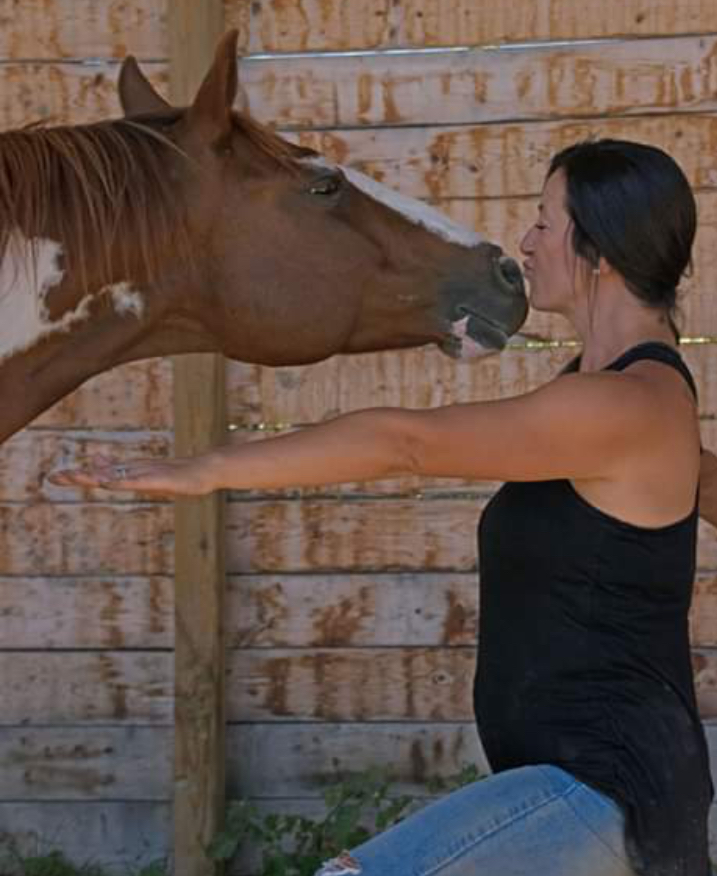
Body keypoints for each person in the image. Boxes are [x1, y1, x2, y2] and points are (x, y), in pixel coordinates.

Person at [50, 139, 714, 876]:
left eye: (544, 221)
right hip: (574, 782)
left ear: (603, 249)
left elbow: (405, 443)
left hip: (605, 792)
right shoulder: (636, 406)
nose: (525, 241)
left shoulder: (621, 405)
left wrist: (203, 470)